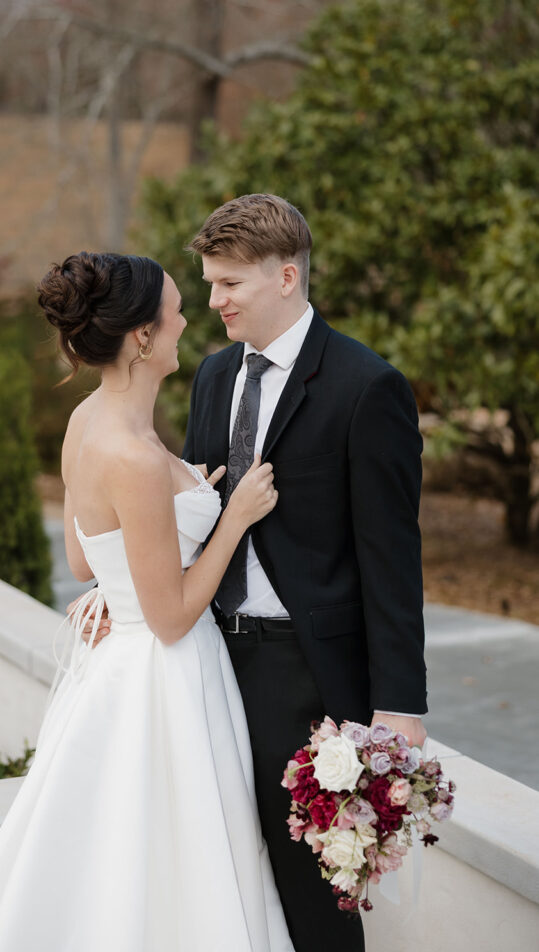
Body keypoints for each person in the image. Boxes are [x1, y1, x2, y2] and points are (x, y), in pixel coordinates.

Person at [0, 251, 294, 952]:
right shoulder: (130, 455)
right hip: (166, 681)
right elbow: (168, 618)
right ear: (140, 336)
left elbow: (81, 556)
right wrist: (231, 516)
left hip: (120, 669)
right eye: (174, 308)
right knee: (172, 862)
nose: (188, 316)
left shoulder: (87, 422)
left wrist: (136, 559)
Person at [178, 193, 429, 951]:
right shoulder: (212, 376)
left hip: (309, 677)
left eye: (229, 284)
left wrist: (398, 705)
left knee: (313, 893)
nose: (213, 300)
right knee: (230, 872)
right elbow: (191, 511)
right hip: (211, 658)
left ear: (285, 276)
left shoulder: (365, 386)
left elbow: (392, 558)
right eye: (210, 282)